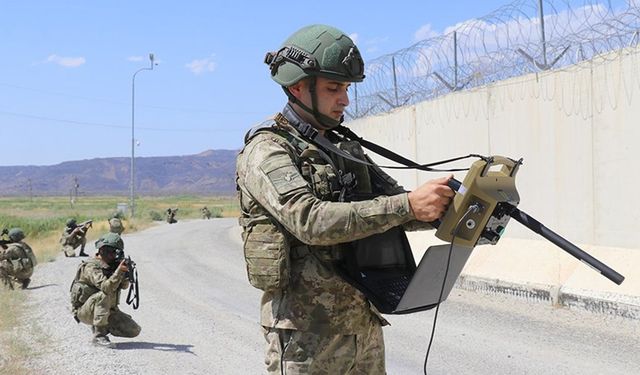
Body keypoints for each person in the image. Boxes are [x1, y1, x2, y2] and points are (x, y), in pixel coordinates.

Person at [236, 24, 454, 374]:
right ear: (297, 87)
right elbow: (310, 220)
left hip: (361, 323)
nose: (345, 99)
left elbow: (394, 206)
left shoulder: (341, 147)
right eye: (333, 88)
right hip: (305, 334)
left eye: (347, 88)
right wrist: (408, 205)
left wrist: (444, 206)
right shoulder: (268, 150)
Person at [69, 232, 141, 348]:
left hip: (104, 308)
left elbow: (123, 286)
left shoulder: (110, 265)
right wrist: (118, 272)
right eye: (112, 252)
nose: (114, 256)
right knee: (104, 294)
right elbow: (106, 288)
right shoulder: (91, 267)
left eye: (116, 252)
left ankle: (102, 325)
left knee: (134, 330)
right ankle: (99, 336)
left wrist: (125, 275)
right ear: (102, 250)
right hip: (84, 311)